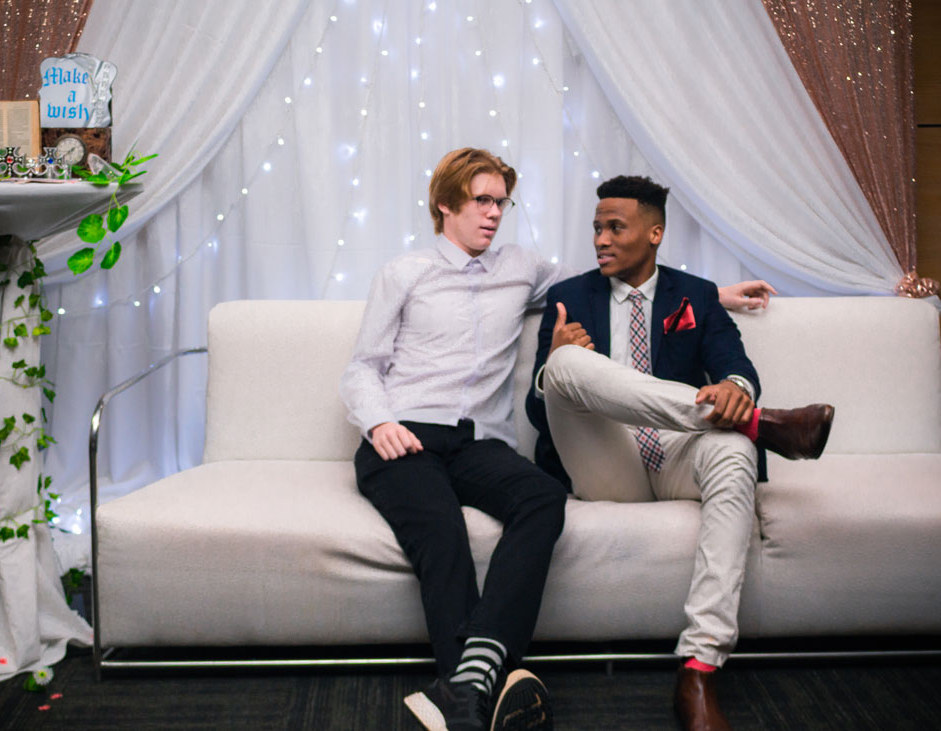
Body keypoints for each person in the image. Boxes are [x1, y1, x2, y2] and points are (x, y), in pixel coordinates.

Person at [524, 174, 834, 731]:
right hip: (605, 459)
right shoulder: (570, 298)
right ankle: (765, 426)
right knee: (565, 364)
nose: (601, 240)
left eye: (615, 227)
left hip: (674, 456)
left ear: (655, 233)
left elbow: (737, 366)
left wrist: (735, 390)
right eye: (596, 228)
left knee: (734, 452)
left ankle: (700, 666)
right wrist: (552, 363)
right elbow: (534, 411)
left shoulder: (696, 295)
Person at [340, 148, 565, 731]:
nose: (494, 214)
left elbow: (598, 287)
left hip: (479, 444)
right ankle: (490, 681)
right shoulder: (405, 273)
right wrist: (380, 423)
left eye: (501, 202)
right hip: (404, 436)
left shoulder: (521, 267)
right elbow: (363, 367)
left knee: (543, 496)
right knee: (443, 530)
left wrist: (706, 298)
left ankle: (463, 687)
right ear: (445, 204)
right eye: (481, 200)